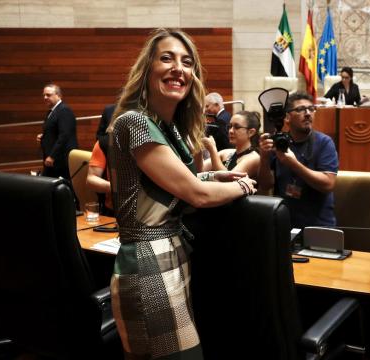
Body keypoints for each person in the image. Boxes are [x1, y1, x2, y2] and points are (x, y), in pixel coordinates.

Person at [106, 28, 256, 359]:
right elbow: (196, 195)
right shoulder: (136, 122)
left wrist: (214, 174)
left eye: (187, 62)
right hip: (148, 263)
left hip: (171, 256)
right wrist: (241, 185)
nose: (179, 68)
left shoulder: (166, 126)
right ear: (147, 69)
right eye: (167, 58)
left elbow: (168, 182)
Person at [258, 91, 338, 228]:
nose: (307, 113)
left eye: (311, 109)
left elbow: (328, 184)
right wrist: (264, 158)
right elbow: (265, 185)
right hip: (284, 224)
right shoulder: (278, 142)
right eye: (300, 109)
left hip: (318, 226)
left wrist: (294, 164)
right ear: (287, 117)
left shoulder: (324, 142)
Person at [36, 83, 78, 179]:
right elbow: (56, 131)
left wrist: (52, 156)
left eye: (48, 95)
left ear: (58, 96)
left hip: (60, 160)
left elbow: (65, 135)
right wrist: (44, 136)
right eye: (44, 95)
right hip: (54, 159)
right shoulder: (53, 111)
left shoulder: (64, 110)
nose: (45, 97)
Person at [202, 110, 261, 178]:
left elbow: (229, 179)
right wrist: (198, 146)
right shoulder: (225, 152)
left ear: (251, 132)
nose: (230, 131)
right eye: (230, 126)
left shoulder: (254, 158)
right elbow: (201, 169)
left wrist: (212, 149)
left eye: (237, 127)